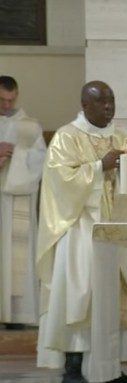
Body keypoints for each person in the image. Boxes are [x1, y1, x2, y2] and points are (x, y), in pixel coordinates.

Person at [36, 81, 127, 383]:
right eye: (101, 103)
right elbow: (60, 180)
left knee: (116, 294)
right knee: (79, 297)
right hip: (80, 229)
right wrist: (99, 167)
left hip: (115, 228)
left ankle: (110, 367)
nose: (109, 108)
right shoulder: (66, 137)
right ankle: (72, 372)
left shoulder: (122, 137)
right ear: (85, 105)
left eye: (112, 101)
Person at [0, 76, 46, 330]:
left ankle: (16, 314)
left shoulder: (29, 127)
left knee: (14, 257)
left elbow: (41, 162)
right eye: (1, 100)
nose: (7, 105)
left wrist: (15, 155)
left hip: (15, 202)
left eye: (11, 99)